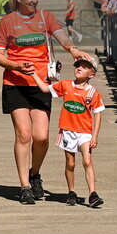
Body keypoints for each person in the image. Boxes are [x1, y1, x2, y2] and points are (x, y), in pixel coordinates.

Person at [0, 0, 93, 204]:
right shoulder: (8, 22)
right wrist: (16, 66)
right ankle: (24, 186)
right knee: (24, 134)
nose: (34, 1)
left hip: (41, 84)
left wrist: (73, 50)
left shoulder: (45, 17)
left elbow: (61, 35)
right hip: (15, 83)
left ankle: (34, 173)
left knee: (42, 137)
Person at [28, 56, 105, 208]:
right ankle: (72, 192)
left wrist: (94, 136)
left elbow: (98, 113)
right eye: (78, 65)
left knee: (87, 161)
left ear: (91, 74)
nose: (79, 68)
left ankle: (93, 194)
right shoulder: (66, 85)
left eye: (84, 67)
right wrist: (33, 73)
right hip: (68, 131)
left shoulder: (93, 93)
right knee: (70, 163)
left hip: (85, 133)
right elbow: (45, 89)